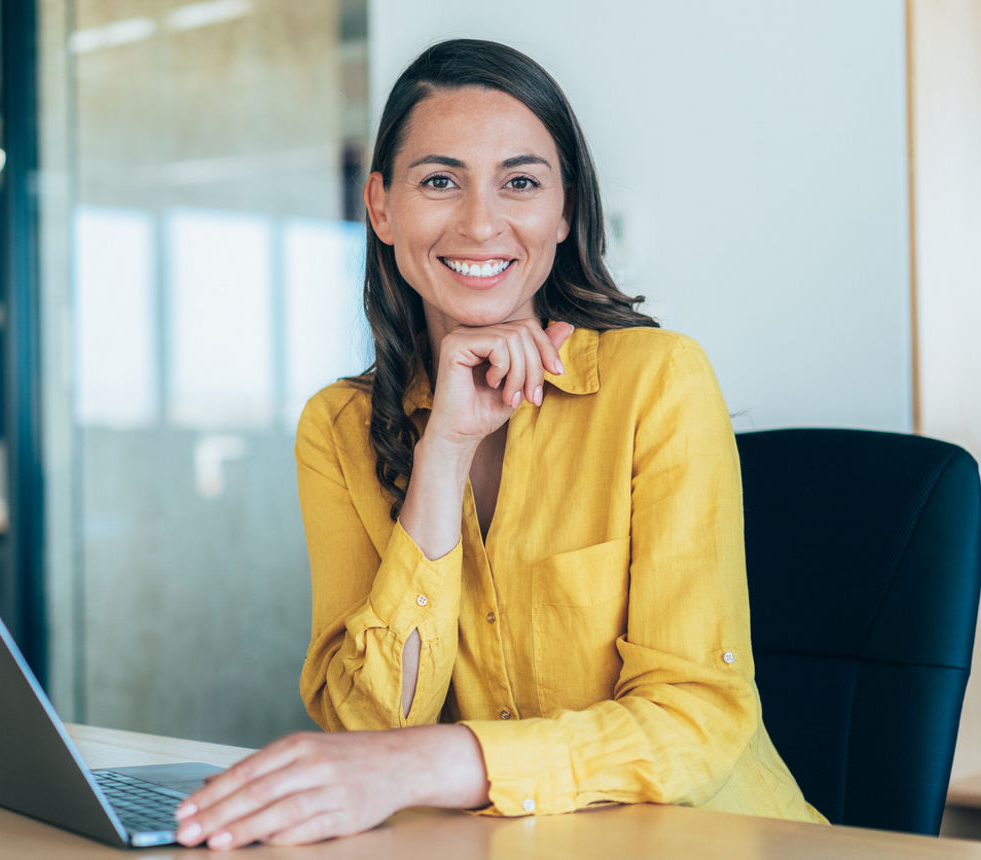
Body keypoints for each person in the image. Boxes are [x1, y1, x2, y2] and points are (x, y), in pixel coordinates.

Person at [174, 38, 826, 850]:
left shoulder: (658, 381)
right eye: (440, 181)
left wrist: (425, 767)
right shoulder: (338, 428)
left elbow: (695, 719)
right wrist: (442, 452)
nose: (480, 223)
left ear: (563, 210)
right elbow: (370, 724)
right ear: (381, 206)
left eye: (520, 182)